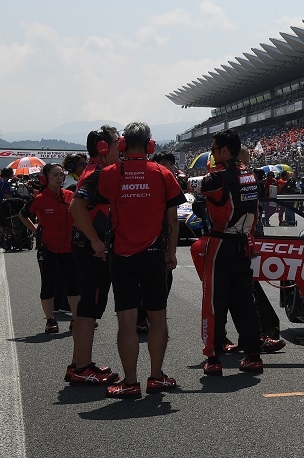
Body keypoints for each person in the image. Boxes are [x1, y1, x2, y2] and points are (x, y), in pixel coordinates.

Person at [73, 122, 183, 398]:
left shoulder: (110, 173)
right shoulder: (162, 173)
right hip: (154, 255)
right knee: (157, 318)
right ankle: (156, 377)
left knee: (126, 321)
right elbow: (172, 219)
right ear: (149, 146)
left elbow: (78, 205)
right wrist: (171, 252)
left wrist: (97, 242)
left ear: (122, 145)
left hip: (121, 256)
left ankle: (130, 382)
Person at [189, 129, 265, 377]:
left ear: (224, 150)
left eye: (213, 149)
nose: (211, 154)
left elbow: (188, 185)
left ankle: (213, 356)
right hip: (244, 243)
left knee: (214, 301)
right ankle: (253, 355)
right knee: (245, 302)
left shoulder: (218, 177)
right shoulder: (249, 175)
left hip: (221, 244)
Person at [66, 126, 121, 386]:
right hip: (90, 249)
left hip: (86, 247)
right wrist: (96, 241)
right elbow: (76, 206)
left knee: (87, 307)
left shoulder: (95, 170)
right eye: (115, 143)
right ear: (102, 147)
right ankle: (82, 368)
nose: (119, 147)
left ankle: (79, 363)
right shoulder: (97, 173)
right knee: (89, 308)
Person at [19, 163, 80, 335]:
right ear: (46, 178)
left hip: (69, 247)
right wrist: (35, 230)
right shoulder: (39, 199)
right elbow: (22, 216)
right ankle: (50, 320)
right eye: (55, 175)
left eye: (61, 175)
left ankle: (76, 318)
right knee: (48, 284)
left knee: (74, 283)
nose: (59, 178)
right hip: (48, 247)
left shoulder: (70, 195)